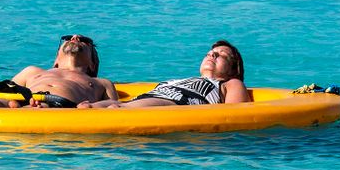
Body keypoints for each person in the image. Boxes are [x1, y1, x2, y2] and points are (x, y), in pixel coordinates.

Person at [0, 33, 119, 109]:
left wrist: (90, 106)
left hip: (60, 105)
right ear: (56, 60)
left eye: (84, 40)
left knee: (35, 106)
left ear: (92, 64)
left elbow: (114, 107)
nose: (75, 38)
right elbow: (4, 92)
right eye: (67, 38)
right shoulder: (33, 71)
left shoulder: (100, 83)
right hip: (22, 99)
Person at [78, 40, 250, 108]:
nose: (212, 55)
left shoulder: (230, 84)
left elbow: (236, 112)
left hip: (174, 103)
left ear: (233, 70)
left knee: (113, 107)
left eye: (221, 55)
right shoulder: (182, 79)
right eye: (210, 53)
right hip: (143, 100)